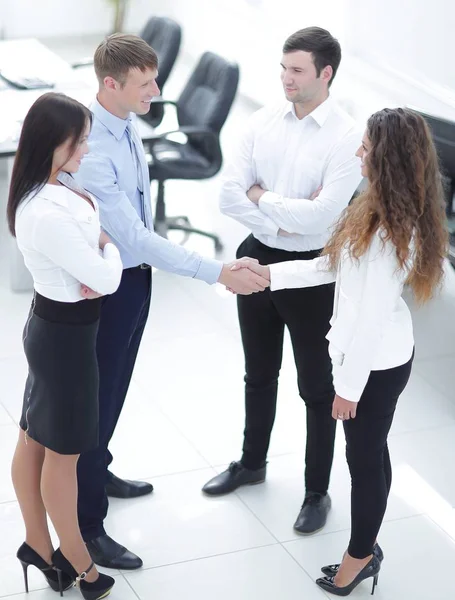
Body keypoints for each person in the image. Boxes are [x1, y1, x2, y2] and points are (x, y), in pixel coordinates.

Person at [73, 33, 268, 570]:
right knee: (95, 400)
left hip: (135, 281)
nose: (157, 92)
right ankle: (87, 526)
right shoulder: (94, 148)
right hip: (110, 285)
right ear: (110, 84)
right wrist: (215, 270)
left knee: (115, 390)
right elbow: (134, 238)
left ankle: (100, 470)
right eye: (145, 83)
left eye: (155, 80)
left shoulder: (126, 122)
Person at [236, 107, 448, 596]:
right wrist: (270, 275)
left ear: (387, 156)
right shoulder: (375, 206)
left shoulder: (395, 232)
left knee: (363, 461)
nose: (358, 151)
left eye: (367, 146)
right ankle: (367, 545)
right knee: (373, 452)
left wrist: (348, 390)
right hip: (368, 359)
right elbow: (330, 265)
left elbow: (372, 318)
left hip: (375, 365)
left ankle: (358, 558)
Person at [202, 27, 362, 536]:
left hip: (315, 271)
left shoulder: (348, 136)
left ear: (326, 73)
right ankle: (253, 463)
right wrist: (279, 215)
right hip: (256, 258)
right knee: (258, 371)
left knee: (317, 387)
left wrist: (262, 199)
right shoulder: (260, 121)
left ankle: (317, 491)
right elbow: (228, 194)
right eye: (283, 68)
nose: (285, 79)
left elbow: (320, 221)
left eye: (297, 70)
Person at [8, 92, 123, 599]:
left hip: (58, 328)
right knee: (64, 453)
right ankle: (78, 563)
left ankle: (38, 543)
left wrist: (97, 255)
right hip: (65, 339)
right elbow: (107, 277)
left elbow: (96, 269)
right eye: (80, 141)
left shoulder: (56, 187)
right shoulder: (47, 212)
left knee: (36, 437)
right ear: (53, 142)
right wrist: (109, 250)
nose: (87, 150)